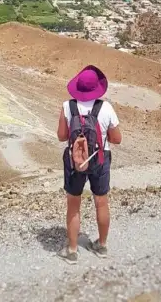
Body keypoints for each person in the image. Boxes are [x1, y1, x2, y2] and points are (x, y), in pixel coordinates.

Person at [56, 65, 121, 264]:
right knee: (101, 202)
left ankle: (73, 250)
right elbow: (117, 139)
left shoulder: (68, 106)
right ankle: (101, 246)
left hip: (74, 160)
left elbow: (61, 136)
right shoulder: (106, 108)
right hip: (100, 159)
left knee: (73, 204)